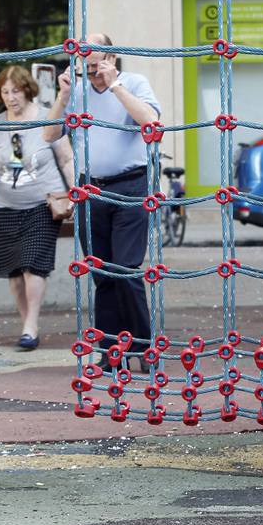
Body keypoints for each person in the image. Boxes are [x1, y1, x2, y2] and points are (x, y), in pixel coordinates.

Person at [42, 33, 160, 360]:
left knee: (126, 268)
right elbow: (49, 134)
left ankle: (142, 347)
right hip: (90, 189)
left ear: (112, 59)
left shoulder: (134, 83)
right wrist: (63, 97)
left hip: (131, 186)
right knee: (101, 272)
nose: (92, 72)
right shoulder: (76, 93)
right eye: (87, 65)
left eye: (97, 64)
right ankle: (111, 352)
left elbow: (151, 122)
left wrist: (115, 86)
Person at [0, 65, 74, 351]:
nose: (10, 97)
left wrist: (76, 192)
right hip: (4, 206)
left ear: (28, 90)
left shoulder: (48, 117)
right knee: (14, 273)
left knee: (32, 266)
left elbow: (66, 159)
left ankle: (31, 325)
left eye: (15, 91)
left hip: (41, 204)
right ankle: (28, 328)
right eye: (5, 92)